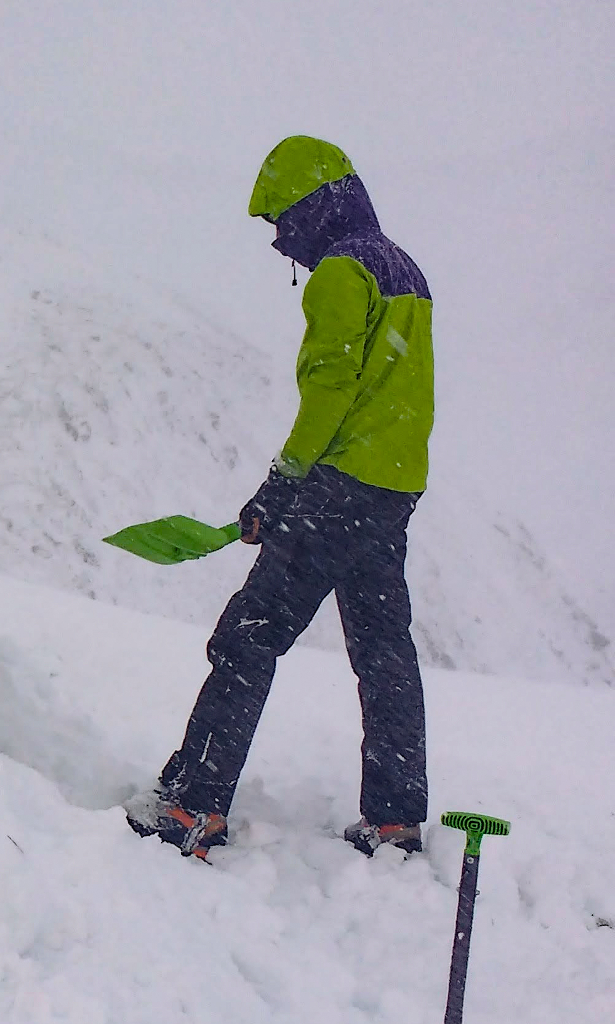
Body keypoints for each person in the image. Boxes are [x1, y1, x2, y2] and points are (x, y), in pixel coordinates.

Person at [130, 136, 435, 858]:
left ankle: (191, 808)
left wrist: (283, 482)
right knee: (384, 648)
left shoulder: (340, 271)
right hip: (395, 485)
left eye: (280, 221)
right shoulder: (405, 269)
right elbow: (396, 388)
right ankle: (394, 820)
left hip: (339, 485)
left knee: (248, 637)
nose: (278, 242)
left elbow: (331, 388)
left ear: (312, 205)